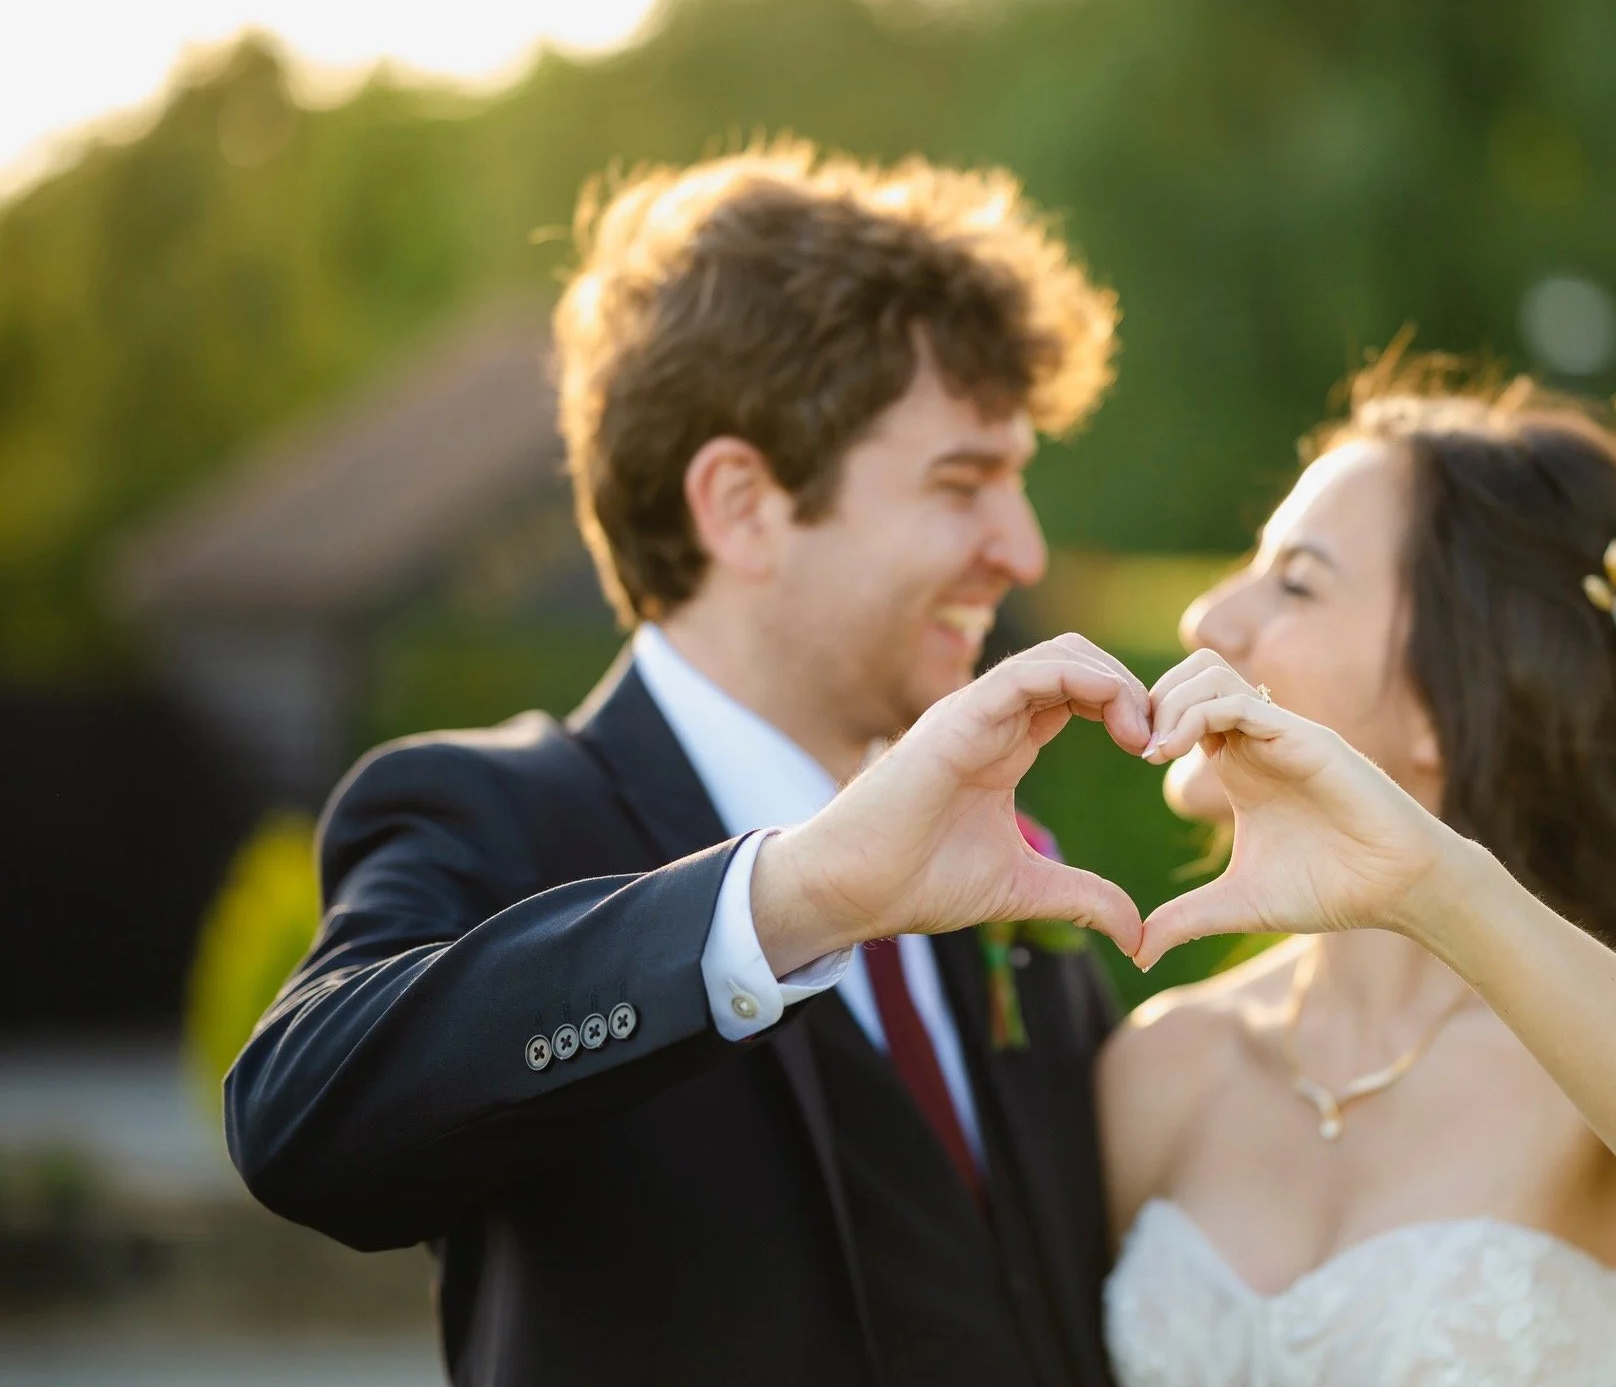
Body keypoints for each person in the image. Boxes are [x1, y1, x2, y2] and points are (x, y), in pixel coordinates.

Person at [225, 142, 1151, 1387]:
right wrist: (791, 901)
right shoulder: (489, 815)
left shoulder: (1009, 874)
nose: (1022, 548)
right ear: (742, 505)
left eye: (1017, 481)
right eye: (963, 481)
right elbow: (304, 1122)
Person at [1099, 365, 1616, 1386]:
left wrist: (1439, 886)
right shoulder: (1168, 1060)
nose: (1205, 619)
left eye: (1296, 581)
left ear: (1444, 701)